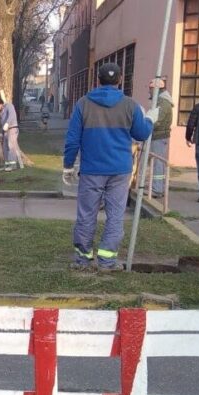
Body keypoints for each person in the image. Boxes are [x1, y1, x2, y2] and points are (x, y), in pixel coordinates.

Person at [63, 62, 158, 272]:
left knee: (86, 215)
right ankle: (107, 262)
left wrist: (68, 166)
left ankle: (83, 260)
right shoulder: (130, 105)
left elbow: (72, 140)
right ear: (120, 80)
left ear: (98, 79)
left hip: (91, 170)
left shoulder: (83, 104)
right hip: (119, 170)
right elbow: (142, 134)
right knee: (115, 216)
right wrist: (150, 119)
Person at [148, 77, 173, 198]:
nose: (149, 91)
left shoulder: (162, 102)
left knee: (157, 162)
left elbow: (157, 119)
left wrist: (146, 125)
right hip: (158, 135)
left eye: (151, 89)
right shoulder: (161, 101)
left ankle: (157, 189)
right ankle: (158, 188)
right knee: (158, 162)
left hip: (158, 135)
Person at [0, 98, 24, 171]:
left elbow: (12, 115)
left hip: (12, 128)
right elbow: (2, 125)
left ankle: (13, 165)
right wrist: (1, 133)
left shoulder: (9, 106)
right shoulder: (1, 113)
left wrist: (7, 123)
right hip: (5, 131)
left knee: (11, 146)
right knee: (5, 148)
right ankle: (7, 164)